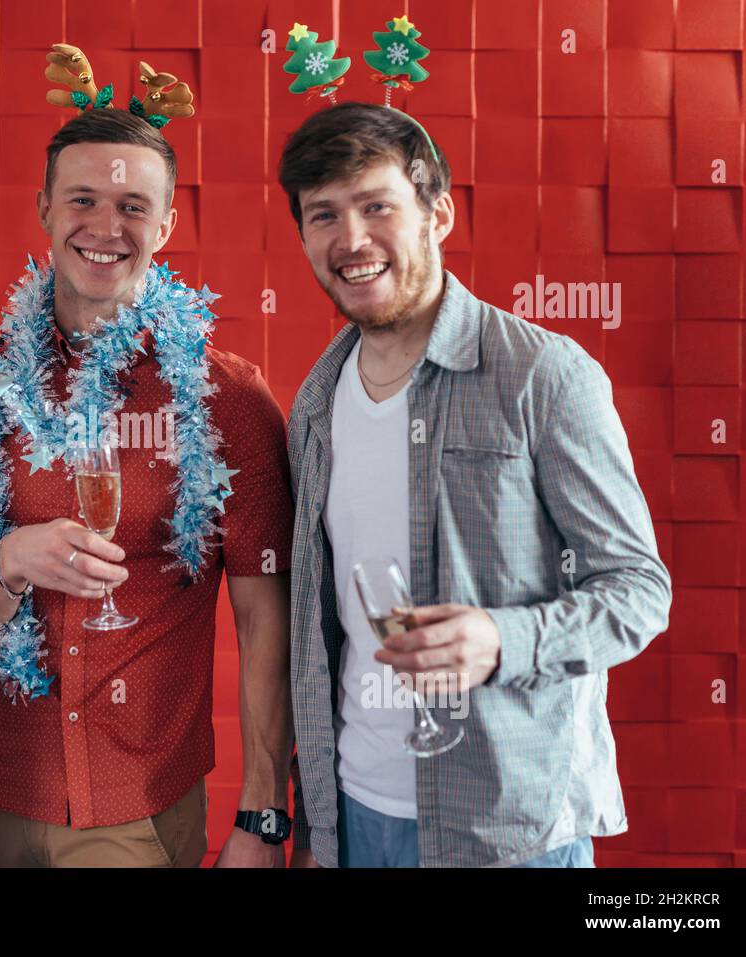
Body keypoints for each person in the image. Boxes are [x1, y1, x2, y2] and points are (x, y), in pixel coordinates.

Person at [278, 102, 671, 867]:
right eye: (323, 215)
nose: (351, 239)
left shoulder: (543, 376)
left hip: (508, 827)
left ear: (439, 214)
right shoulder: (316, 404)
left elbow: (638, 590)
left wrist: (502, 639)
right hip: (353, 815)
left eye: (377, 205)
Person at [0, 105, 296, 867]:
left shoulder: (227, 399)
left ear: (165, 225)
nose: (105, 225)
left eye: (132, 206)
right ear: (45, 211)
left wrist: (263, 814)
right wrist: (7, 565)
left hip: (138, 809)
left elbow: (267, 624)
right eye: (83, 199)